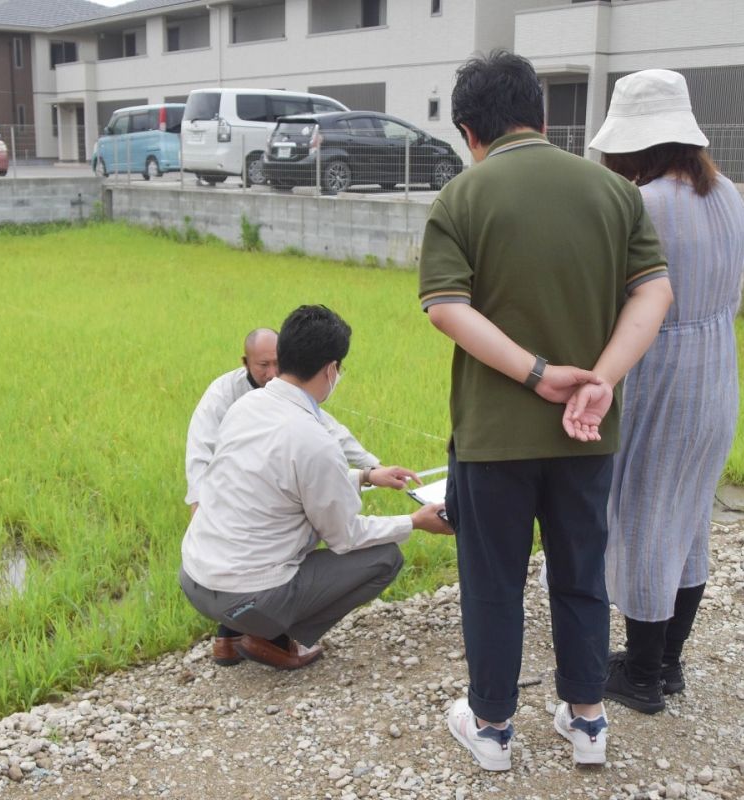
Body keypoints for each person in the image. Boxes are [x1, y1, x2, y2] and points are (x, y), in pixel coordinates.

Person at [419, 50, 673, 771]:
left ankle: (494, 730)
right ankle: (588, 720)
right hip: (588, 433)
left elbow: (445, 307)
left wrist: (535, 374)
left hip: (494, 437)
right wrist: (601, 379)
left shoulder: (462, 197)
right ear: (544, 116)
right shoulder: (615, 192)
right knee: (581, 571)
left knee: (495, 582)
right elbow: (654, 292)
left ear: (470, 130)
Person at [585, 69, 744, 714]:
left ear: (632, 145)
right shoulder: (728, 193)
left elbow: (617, 298)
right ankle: (668, 662)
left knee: (648, 520)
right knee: (689, 519)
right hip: (716, 372)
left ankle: (643, 678)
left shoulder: (642, 204)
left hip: (664, 375)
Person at [179, 305, 451, 671]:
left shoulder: (246, 407)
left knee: (257, 532)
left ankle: (229, 637)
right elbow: (346, 536)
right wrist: (414, 522)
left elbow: (282, 483)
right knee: (385, 557)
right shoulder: (315, 441)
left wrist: (367, 476)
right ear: (331, 369)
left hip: (194, 578)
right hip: (246, 597)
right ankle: (272, 638)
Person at [184, 327, 381, 516]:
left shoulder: (288, 387)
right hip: (232, 484)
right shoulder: (223, 393)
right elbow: (200, 449)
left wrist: (374, 466)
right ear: (245, 363)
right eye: (263, 365)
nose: (271, 373)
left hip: (271, 486)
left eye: (277, 363)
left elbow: (329, 428)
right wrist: (199, 504)